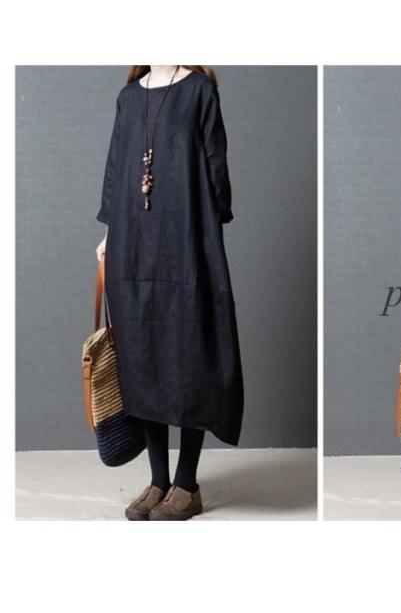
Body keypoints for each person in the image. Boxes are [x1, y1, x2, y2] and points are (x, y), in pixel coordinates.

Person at [96, 65, 243, 520]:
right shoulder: (128, 98)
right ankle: (158, 479)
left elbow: (215, 163)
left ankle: (186, 483)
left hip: (186, 238)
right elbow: (116, 168)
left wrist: (211, 229)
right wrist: (109, 234)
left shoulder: (199, 91)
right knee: (142, 358)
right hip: (133, 244)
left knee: (190, 356)